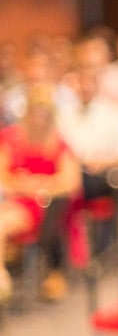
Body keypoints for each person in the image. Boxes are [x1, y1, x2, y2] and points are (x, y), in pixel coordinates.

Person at [0, 83, 82, 303]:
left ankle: (2, 279)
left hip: (41, 207)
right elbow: (3, 175)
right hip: (14, 200)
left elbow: (70, 181)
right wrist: (22, 184)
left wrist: (42, 185)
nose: (38, 120)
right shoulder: (12, 139)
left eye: (42, 115)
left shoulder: (58, 144)